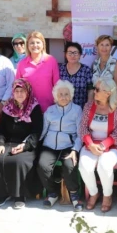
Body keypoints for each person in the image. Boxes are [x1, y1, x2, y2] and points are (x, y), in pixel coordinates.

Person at [0, 79, 43, 209]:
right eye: (17, 91)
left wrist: (24, 146)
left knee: (18, 161)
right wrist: (0, 144)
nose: (19, 94)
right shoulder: (8, 107)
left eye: (22, 91)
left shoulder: (34, 108)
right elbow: (1, 129)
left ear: (28, 92)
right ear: (13, 93)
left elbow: (37, 132)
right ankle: (3, 194)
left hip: (27, 145)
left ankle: (20, 195)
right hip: (9, 142)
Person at [79, 78, 117, 213]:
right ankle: (94, 193)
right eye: (95, 88)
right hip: (91, 143)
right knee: (84, 166)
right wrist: (91, 144)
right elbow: (82, 128)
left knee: (104, 166)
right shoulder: (89, 106)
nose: (95, 91)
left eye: (98, 90)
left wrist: (103, 146)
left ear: (108, 93)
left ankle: (107, 195)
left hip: (112, 146)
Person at [37, 80, 83, 211]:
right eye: (60, 94)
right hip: (50, 144)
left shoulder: (77, 110)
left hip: (69, 145)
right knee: (42, 165)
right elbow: (43, 131)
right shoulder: (50, 111)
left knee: (69, 166)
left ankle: (74, 194)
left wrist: (75, 149)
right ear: (56, 96)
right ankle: (52, 192)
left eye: (66, 94)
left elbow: (80, 133)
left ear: (71, 95)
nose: (63, 97)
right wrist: (32, 143)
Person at [15, 31, 60, 110]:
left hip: (49, 108)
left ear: (43, 44)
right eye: (32, 43)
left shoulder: (51, 60)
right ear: (27, 45)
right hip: (29, 110)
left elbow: (57, 85)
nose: (35, 45)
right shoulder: (21, 64)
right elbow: (17, 87)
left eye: (38, 42)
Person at [58, 42, 93, 108]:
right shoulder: (60, 69)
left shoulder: (86, 70)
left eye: (75, 53)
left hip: (81, 108)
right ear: (65, 54)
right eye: (70, 53)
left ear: (80, 55)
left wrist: (88, 107)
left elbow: (90, 90)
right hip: (63, 109)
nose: (72, 55)